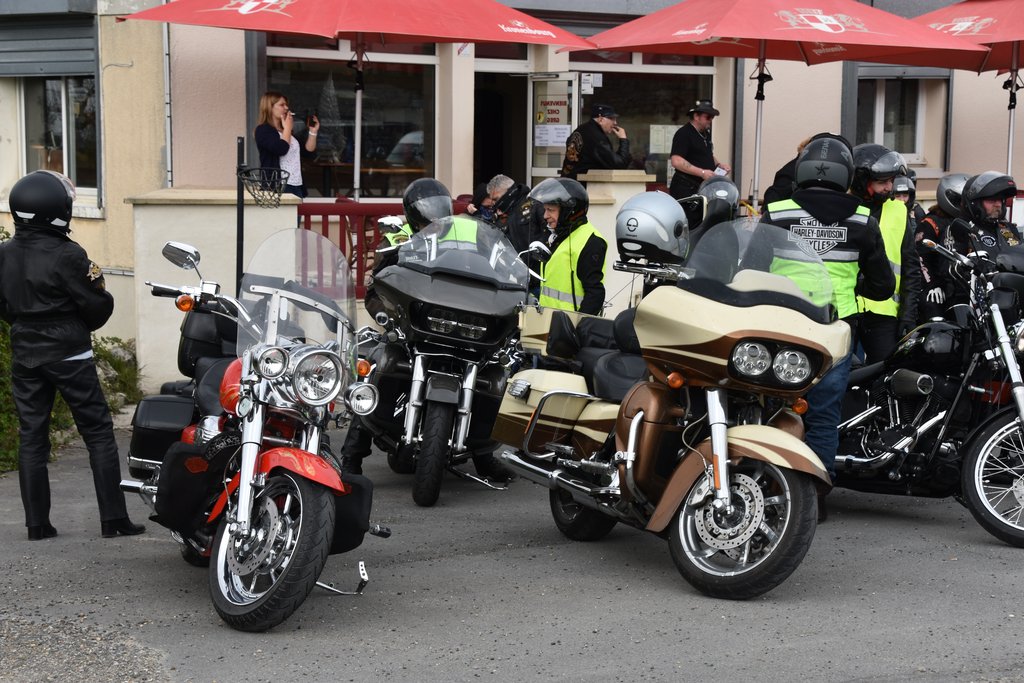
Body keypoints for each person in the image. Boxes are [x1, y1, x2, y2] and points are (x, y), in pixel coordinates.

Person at [0, 171, 146, 541]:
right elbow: (98, 306)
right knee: (97, 432)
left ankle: (37, 525)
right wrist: (74, 326)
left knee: (32, 435)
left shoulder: (3, 254)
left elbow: (4, 306)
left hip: (25, 350)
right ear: (56, 210)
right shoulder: (68, 254)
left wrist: (27, 323)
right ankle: (113, 520)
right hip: (69, 351)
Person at [340, 179, 513, 482]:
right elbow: (377, 287)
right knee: (380, 364)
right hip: (414, 324)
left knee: (490, 373)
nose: (431, 218)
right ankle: (351, 458)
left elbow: (497, 261)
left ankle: (484, 456)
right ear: (412, 214)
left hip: (459, 321)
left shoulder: (468, 230)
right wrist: (387, 315)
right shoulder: (397, 236)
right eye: (425, 213)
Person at [762, 134, 894, 515]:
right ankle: (813, 500)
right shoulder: (863, 220)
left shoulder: (777, 212)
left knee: (770, 407)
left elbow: (751, 266)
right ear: (847, 175)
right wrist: (857, 285)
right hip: (835, 332)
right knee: (824, 414)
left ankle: (766, 486)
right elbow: (883, 286)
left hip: (781, 327)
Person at [850, 143, 922, 364]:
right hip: (845, 309)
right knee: (837, 374)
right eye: (882, 182)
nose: (890, 188)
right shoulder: (844, 209)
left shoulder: (899, 211)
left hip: (884, 314)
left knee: (887, 374)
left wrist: (908, 315)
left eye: (891, 181)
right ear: (862, 181)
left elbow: (911, 267)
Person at [529, 177, 607, 316]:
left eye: (551, 210)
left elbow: (594, 294)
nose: (545, 215)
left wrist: (577, 325)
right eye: (545, 209)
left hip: (569, 324)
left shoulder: (591, 241)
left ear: (569, 212)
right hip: (547, 321)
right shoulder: (557, 234)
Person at [915, 172, 969, 320]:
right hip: (938, 284)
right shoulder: (930, 223)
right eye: (960, 201)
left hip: (963, 285)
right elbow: (921, 258)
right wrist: (932, 284)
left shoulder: (969, 222)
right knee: (933, 305)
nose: (964, 206)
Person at [253, 91, 319, 198]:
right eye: (282, 105)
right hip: (278, 185)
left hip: (296, 184)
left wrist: (313, 132)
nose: (286, 108)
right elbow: (281, 149)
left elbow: (308, 152)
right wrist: (287, 128)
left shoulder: (287, 132)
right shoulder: (263, 130)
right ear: (270, 107)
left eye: (286, 105)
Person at [668, 99, 732, 200]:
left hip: (701, 188)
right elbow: (676, 161)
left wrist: (719, 165)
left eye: (712, 117)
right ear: (696, 116)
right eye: (708, 117)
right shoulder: (684, 133)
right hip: (686, 188)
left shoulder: (705, 134)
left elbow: (706, 154)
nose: (711, 120)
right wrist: (702, 173)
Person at [949, 172, 1022, 257]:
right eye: (992, 200)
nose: (998, 204)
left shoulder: (1008, 228)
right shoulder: (960, 229)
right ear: (975, 203)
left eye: (1000, 200)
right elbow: (949, 262)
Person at [560, 104, 630, 181]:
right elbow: (619, 165)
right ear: (601, 119)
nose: (615, 123)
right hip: (582, 185)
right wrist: (623, 139)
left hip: (568, 181)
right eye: (612, 119)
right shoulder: (597, 137)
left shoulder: (581, 129)